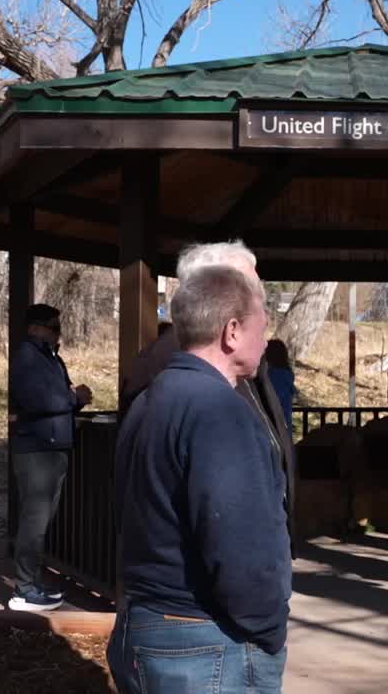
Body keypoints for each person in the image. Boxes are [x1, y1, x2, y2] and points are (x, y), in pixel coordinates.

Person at [109, 266, 290, 694]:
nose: (266, 339)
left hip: (143, 628)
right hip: (206, 645)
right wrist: (269, 629)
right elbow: (240, 548)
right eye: (262, 324)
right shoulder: (221, 413)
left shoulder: (149, 401)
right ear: (231, 331)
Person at [118, 242, 296, 550]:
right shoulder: (165, 366)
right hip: (204, 577)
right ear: (206, 289)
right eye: (244, 284)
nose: (257, 296)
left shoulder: (246, 362)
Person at [7, 303, 93, 612]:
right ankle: (24, 590)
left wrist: (73, 400)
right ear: (35, 328)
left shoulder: (50, 358)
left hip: (53, 447)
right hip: (37, 451)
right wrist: (74, 397)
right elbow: (40, 400)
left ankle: (31, 581)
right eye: (53, 327)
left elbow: (58, 399)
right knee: (34, 520)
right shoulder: (28, 358)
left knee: (41, 520)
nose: (59, 333)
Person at [265, 339, 296, 438]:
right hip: (284, 427)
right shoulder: (286, 375)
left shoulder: (275, 376)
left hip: (276, 428)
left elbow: (271, 401)